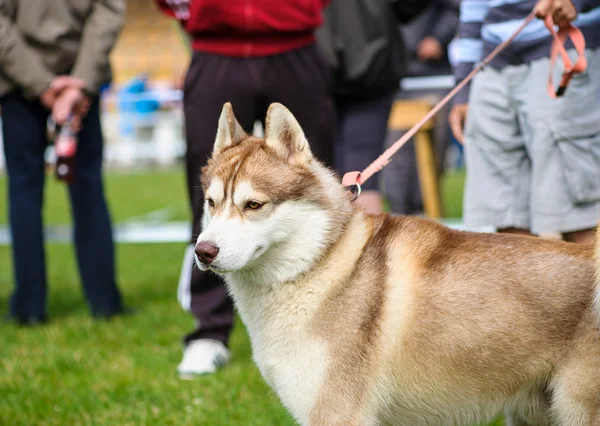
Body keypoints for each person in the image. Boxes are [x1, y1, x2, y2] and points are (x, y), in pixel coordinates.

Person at [155, 0, 336, 377]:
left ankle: (330, 322)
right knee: (210, 201)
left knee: (315, 190)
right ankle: (209, 334)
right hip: (214, 49)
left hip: (295, 46)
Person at [0, 0, 129, 325]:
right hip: (79, 81)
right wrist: (78, 83)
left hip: (17, 81)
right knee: (88, 187)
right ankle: (105, 302)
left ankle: (29, 307)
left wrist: (40, 84)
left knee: (24, 191)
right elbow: (108, 10)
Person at [449, 0, 600, 246]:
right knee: (506, 215)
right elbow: (472, 9)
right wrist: (463, 87)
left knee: (577, 215)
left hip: (562, 45)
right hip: (491, 62)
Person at [317, 0, 436, 214]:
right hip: (373, 62)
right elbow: (410, 8)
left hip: (316, 62)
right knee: (361, 177)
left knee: (320, 176)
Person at [382, 0, 460, 215]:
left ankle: (425, 215)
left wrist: (438, 38)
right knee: (395, 158)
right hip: (392, 77)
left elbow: (455, 8)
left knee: (432, 157)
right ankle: (399, 214)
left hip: (433, 77)